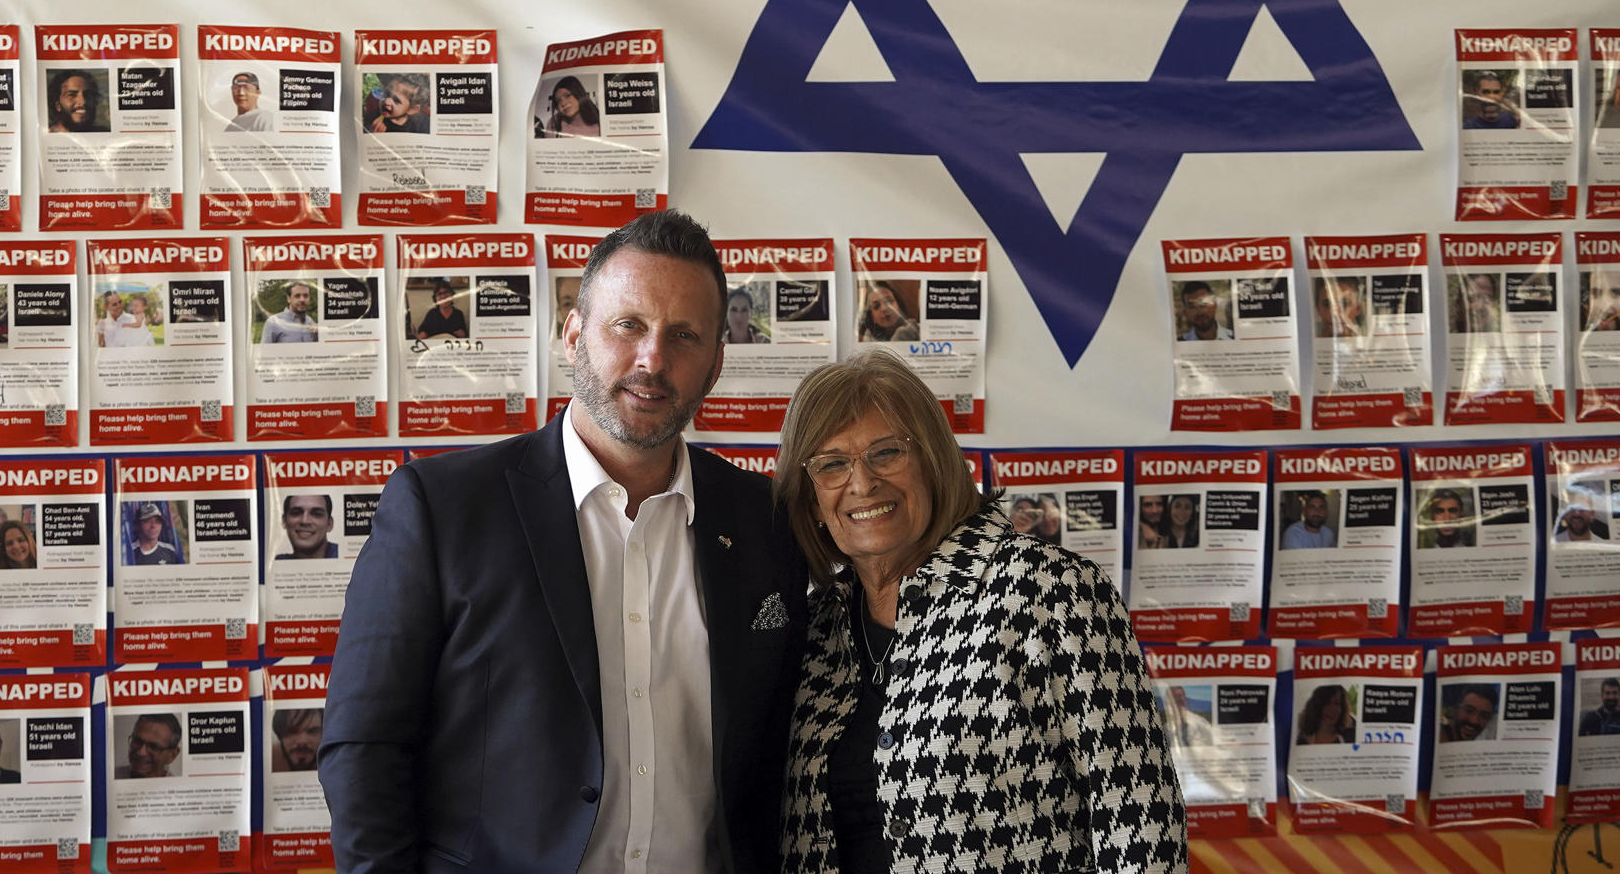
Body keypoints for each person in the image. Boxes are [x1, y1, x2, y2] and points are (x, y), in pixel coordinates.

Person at [321, 209, 809, 874]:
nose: (653, 360)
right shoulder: (443, 508)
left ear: (716, 364)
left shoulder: (766, 520)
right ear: (574, 332)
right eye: (628, 324)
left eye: (685, 336)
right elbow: (364, 746)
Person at [774, 349, 1185, 874]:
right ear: (810, 500)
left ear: (934, 462)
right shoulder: (815, 629)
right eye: (832, 464)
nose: (861, 483)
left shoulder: (1049, 589)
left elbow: (1140, 822)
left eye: (886, 453)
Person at [117, 713, 182, 779]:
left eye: (154, 747)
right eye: (137, 741)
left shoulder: (179, 787)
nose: (141, 752)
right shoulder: (112, 776)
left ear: (172, 755)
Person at [277, 494, 339, 560]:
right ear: (284, 521)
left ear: (329, 524)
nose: (305, 521)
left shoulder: (345, 555)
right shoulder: (274, 563)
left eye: (316, 514)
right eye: (296, 513)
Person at [855, 280, 919, 343]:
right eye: (876, 306)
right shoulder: (868, 340)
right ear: (872, 317)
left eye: (889, 301)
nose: (884, 308)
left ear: (898, 305)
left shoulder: (916, 330)